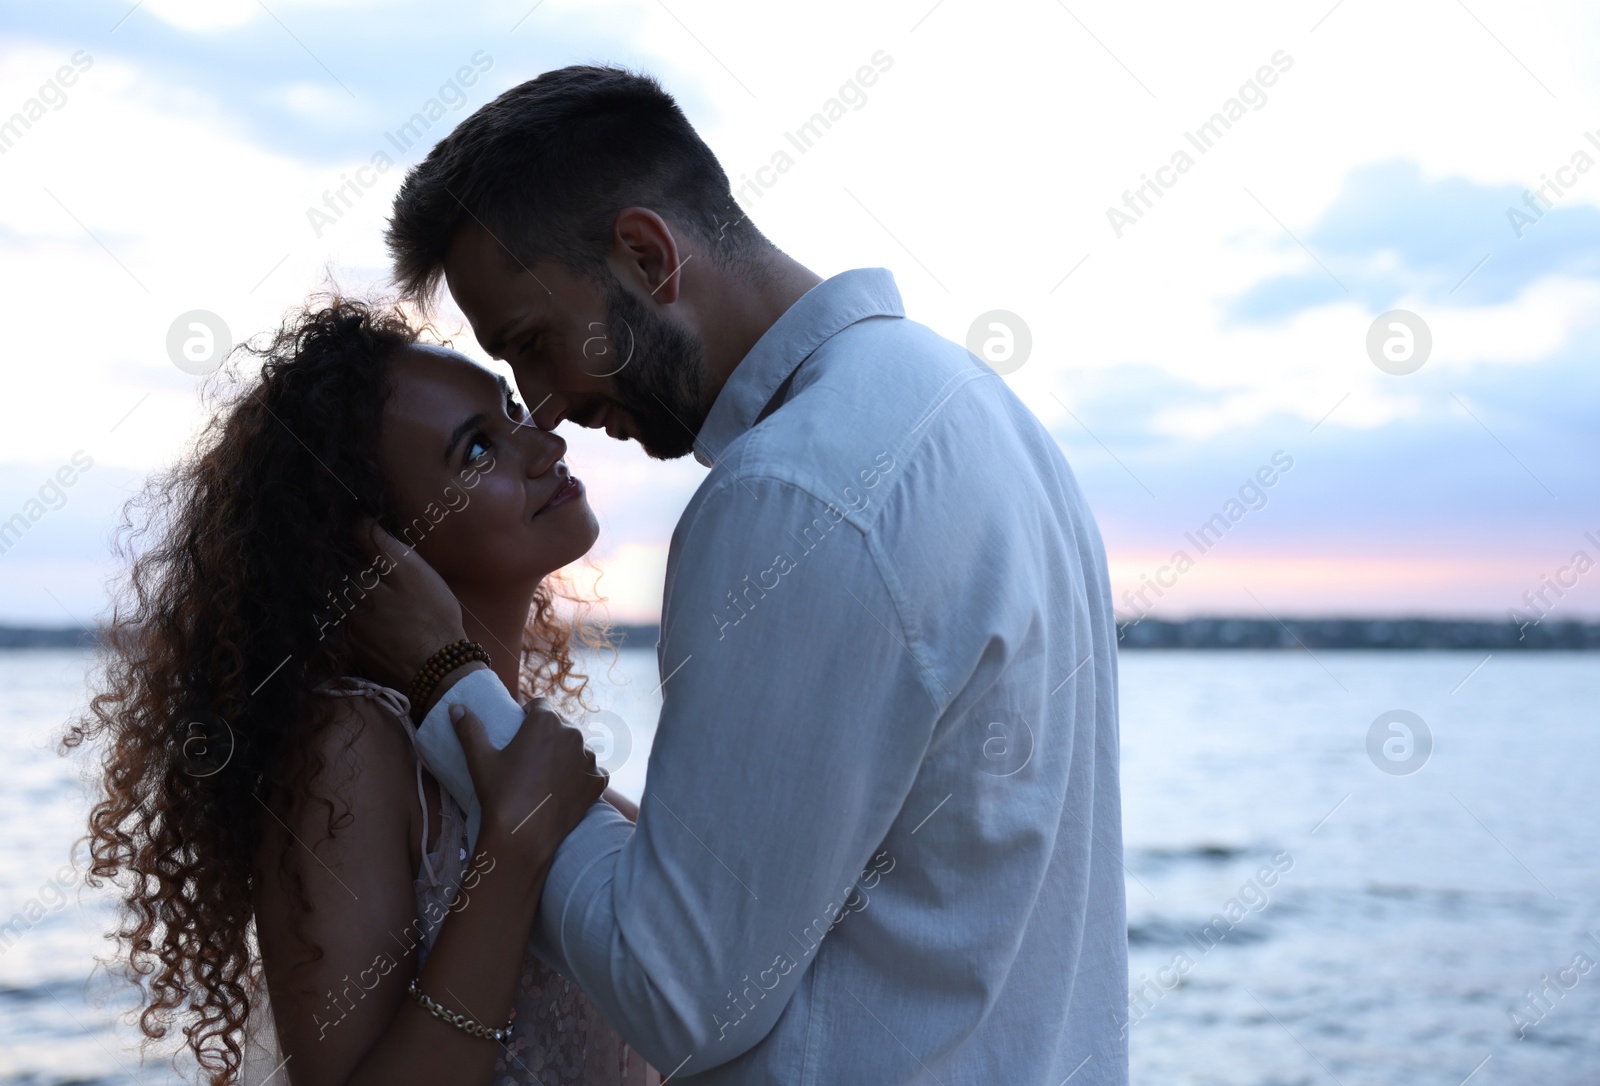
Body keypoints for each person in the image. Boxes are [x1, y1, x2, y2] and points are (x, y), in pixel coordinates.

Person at [356, 65, 1129, 1083]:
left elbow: (673, 995)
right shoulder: (974, 409)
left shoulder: (793, 496)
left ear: (645, 255)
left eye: (536, 346)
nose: (539, 407)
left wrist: (451, 685)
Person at [65, 299, 657, 1085]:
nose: (543, 442)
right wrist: (509, 855)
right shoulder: (348, 745)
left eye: (510, 411)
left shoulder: (532, 753)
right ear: (374, 547)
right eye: (478, 449)